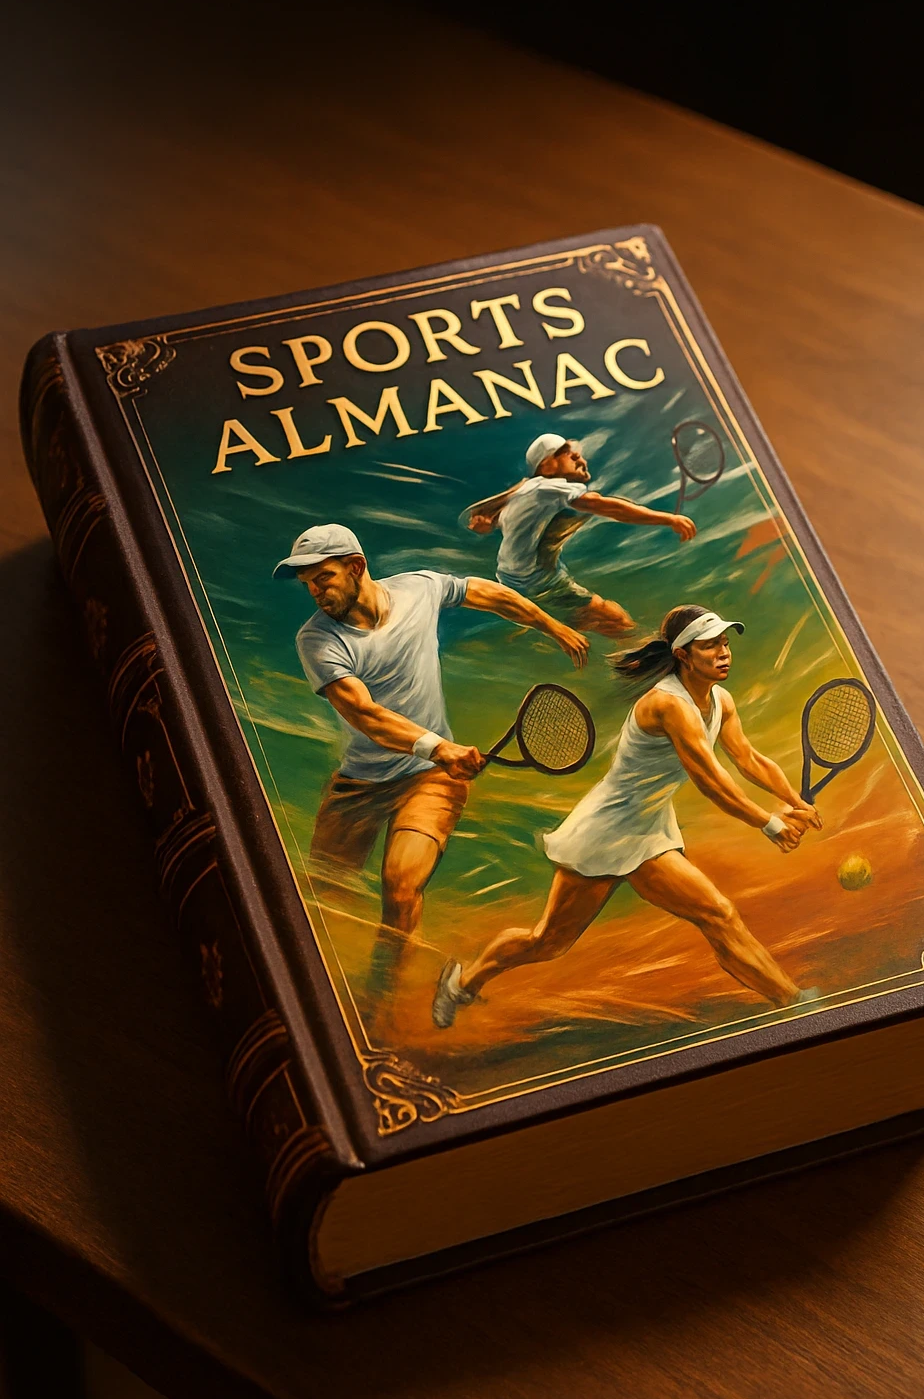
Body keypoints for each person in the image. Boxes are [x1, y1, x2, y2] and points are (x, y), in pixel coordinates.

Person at [432, 604, 822, 1026]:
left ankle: (794, 1003)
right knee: (547, 941)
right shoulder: (668, 705)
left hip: (648, 832)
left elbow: (748, 758)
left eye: (725, 643)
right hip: (607, 830)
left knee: (718, 914)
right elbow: (711, 780)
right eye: (710, 646)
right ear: (683, 655)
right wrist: (769, 822)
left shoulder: (720, 700)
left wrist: (794, 800)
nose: (723, 652)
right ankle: (462, 984)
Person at [273, 523, 590, 958]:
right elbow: (365, 714)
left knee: (401, 888)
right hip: (359, 785)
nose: (314, 591)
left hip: (431, 779)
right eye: (308, 584)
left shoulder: (418, 589)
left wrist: (552, 625)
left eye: (322, 577)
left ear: (356, 566)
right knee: (326, 901)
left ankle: (383, 1005)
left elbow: (489, 593)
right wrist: (440, 746)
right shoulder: (316, 639)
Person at [466, 433, 697, 637]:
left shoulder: (525, 493)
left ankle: (556, 625)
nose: (580, 459)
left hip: (512, 579)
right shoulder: (551, 488)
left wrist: (485, 525)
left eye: (578, 455)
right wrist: (668, 519)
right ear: (547, 468)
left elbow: (499, 523)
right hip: (539, 582)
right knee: (617, 619)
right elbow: (609, 507)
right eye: (568, 455)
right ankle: (640, 655)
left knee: (589, 619)